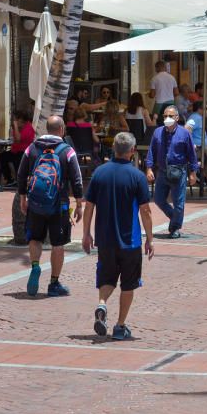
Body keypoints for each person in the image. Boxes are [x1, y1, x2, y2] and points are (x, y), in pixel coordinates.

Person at [81, 132, 153, 340]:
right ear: (132, 151)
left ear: (113, 148)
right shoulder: (137, 176)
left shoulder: (99, 173)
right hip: (130, 241)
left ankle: (102, 304)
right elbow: (145, 211)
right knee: (129, 284)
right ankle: (120, 326)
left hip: (105, 238)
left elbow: (89, 207)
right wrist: (149, 238)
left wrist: (86, 234)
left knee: (107, 278)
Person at [16, 115, 84, 297]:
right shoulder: (67, 151)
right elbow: (77, 179)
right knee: (58, 244)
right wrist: (79, 203)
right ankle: (54, 283)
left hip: (36, 203)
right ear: (62, 129)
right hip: (59, 205)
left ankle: (36, 266)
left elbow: (21, 174)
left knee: (35, 238)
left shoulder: (32, 148)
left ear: (46, 129)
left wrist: (23, 198)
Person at [145, 105, 199, 240]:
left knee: (179, 204)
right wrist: (149, 168)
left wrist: (193, 172)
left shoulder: (184, 133)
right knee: (158, 199)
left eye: (170, 116)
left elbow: (191, 154)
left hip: (179, 171)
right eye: (165, 116)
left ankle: (174, 228)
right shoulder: (158, 132)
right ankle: (175, 217)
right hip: (162, 171)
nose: (167, 118)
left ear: (177, 118)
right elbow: (151, 151)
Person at [1, 109, 35, 185]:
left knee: (18, 158)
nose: (14, 121)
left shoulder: (28, 128)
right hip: (15, 151)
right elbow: (14, 139)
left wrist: (15, 126)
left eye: (16, 120)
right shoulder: (18, 128)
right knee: (2, 156)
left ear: (21, 120)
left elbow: (18, 139)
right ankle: (9, 178)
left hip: (25, 153)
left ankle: (19, 180)